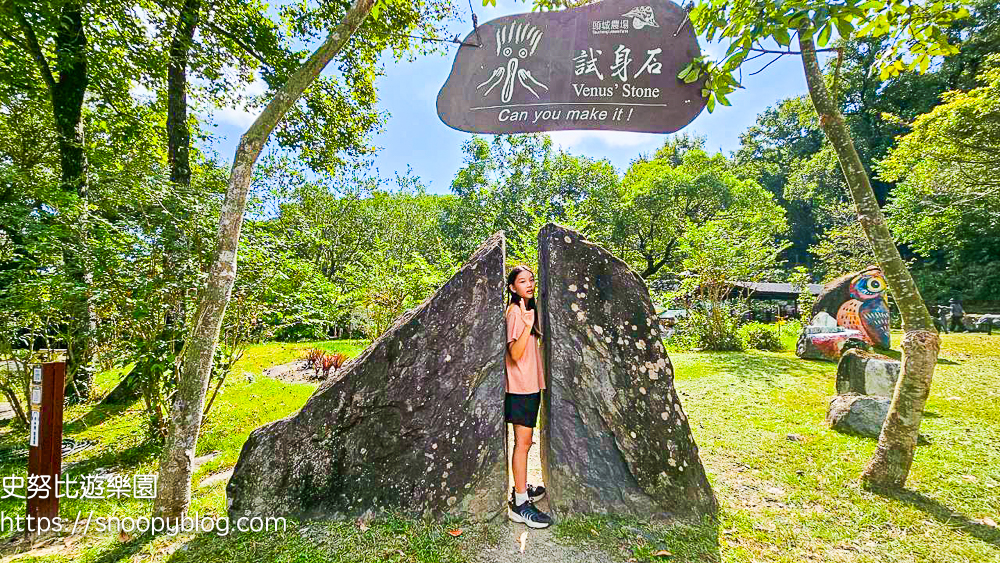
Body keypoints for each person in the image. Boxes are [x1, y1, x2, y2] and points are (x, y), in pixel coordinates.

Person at [504, 265, 553, 529]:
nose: (529, 284)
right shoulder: (515, 312)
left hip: (529, 385)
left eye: (531, 280)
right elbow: (515, 353)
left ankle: (521, 488)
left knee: (526, 442)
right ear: (512, 288)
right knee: (522, 444)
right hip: (520, 388)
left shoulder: (526, 310)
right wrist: (527, 326)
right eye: (522, 281)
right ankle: (520, 503)